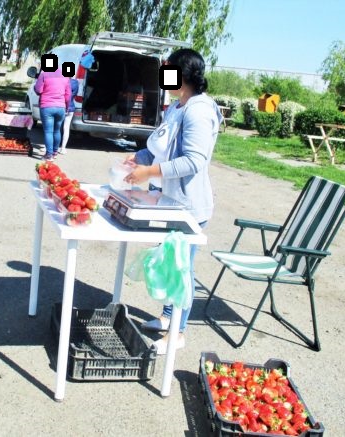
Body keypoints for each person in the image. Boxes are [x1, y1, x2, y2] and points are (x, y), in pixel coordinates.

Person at [123, 48, 222, 355]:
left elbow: (193, 161)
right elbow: (161, 149)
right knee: (170, 264)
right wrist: (138, 158)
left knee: (181, 270)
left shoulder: (199, 111)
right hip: (169, 201)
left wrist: (149, 173)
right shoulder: (176, 107)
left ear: (183, 74)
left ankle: (178, 332)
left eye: (167, 70)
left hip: (189, 206)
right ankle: (168, 318)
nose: (162, 76)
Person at [33, 63, 71, 161]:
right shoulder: (65, 76)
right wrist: (66, 107)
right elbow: (68, 95)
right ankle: (54, 153)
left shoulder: (44, 74)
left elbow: (38, 90)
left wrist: (35, 87)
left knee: (48, 131)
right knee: (57, 131)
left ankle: (49, 155)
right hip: (61, 107)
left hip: (47, 107)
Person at [59, 77, 80, 154]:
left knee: (55, 128)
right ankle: (63, 148)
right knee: (66, 128)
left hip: (60, 105)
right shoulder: (75, 82)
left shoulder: (60, 80)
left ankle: (50, 147)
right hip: (70, 107)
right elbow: (74, 94)